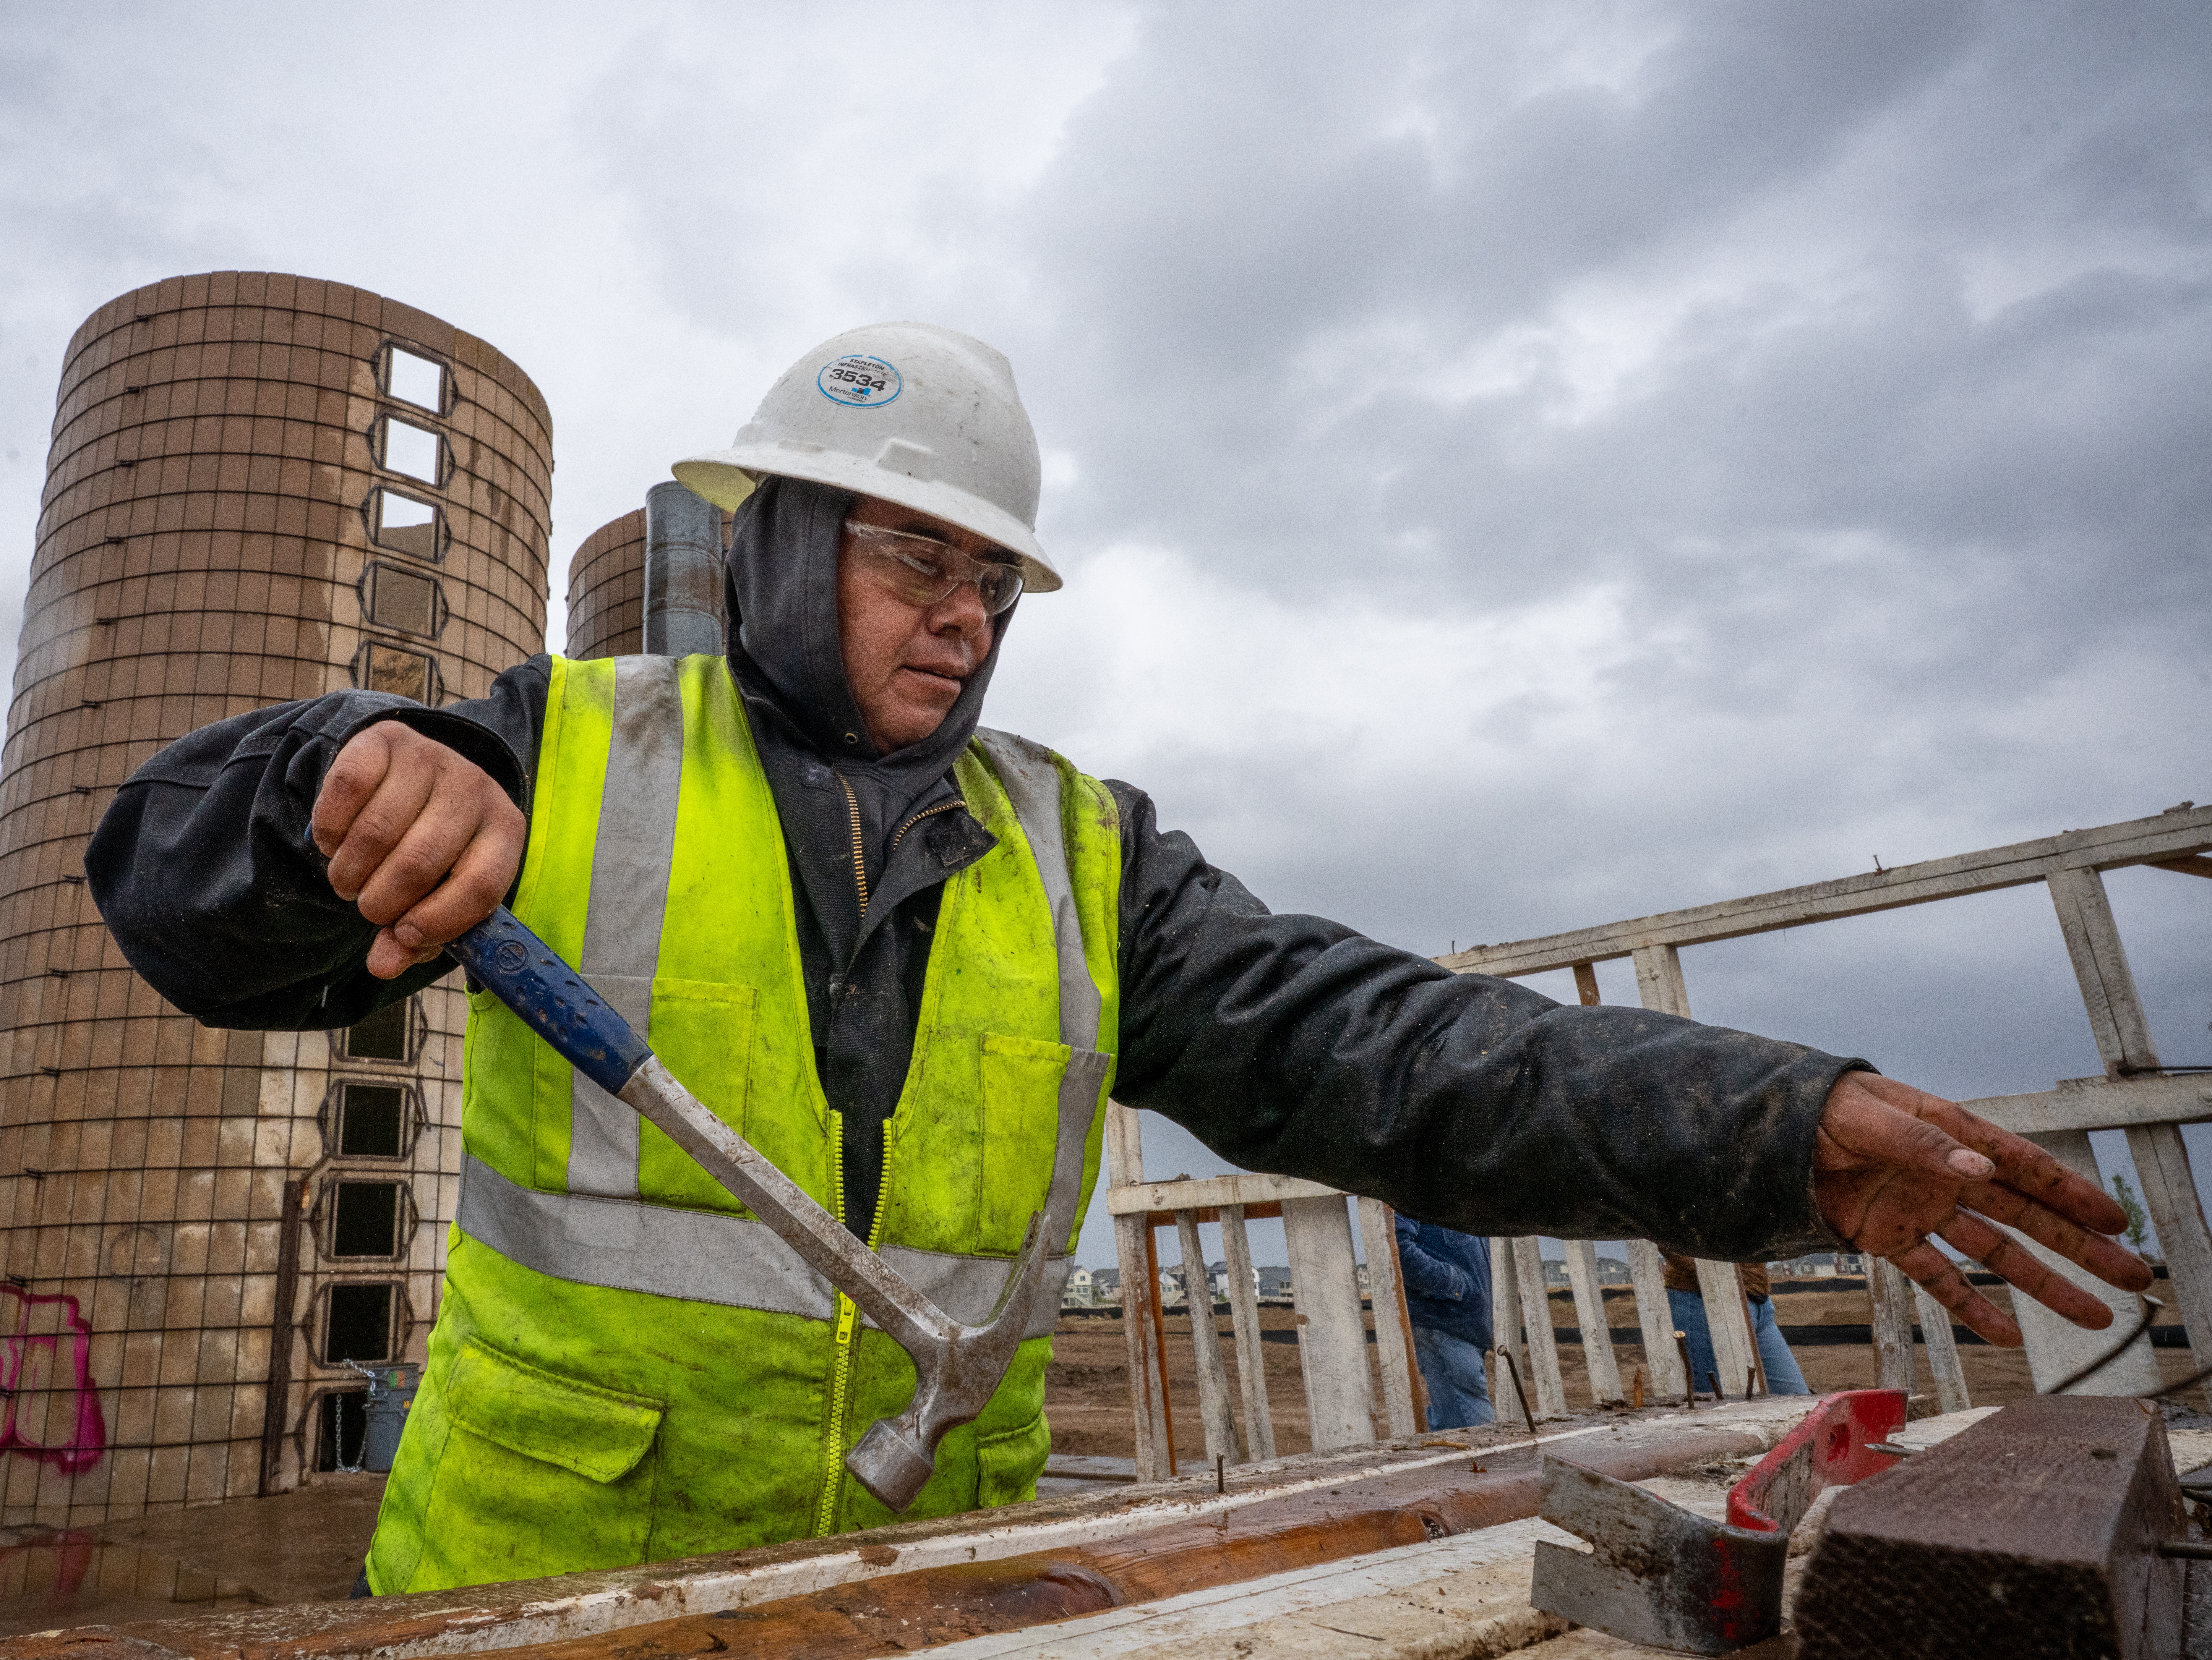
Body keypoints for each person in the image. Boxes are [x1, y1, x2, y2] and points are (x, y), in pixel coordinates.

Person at [89, 323, 2149, 1595]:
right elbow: (180, 894)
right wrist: (315, 777)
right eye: (921, 557)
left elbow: (1380, 1050)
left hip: (926, 1587)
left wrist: (1765, 1122)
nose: (968, 615)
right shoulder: (562, 750)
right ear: (783, 546)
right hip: (543, 1599)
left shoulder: (1081, 851)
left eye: (996, 580)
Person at [1661, 1251, 1810, 1397]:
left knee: (1799, 1399)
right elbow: (1666, 1237)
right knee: (1716, 1406)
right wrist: (1718, 1279)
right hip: (1703, 1303)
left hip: (1760, 1304)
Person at [1394, 1218, 1493, 1428]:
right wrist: (1456, 1284)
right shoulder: (1414, 1187)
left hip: (1465, 1326)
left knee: (1452, 1423)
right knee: (1477, 1434)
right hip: (1444, 1325)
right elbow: (1396, 1248)